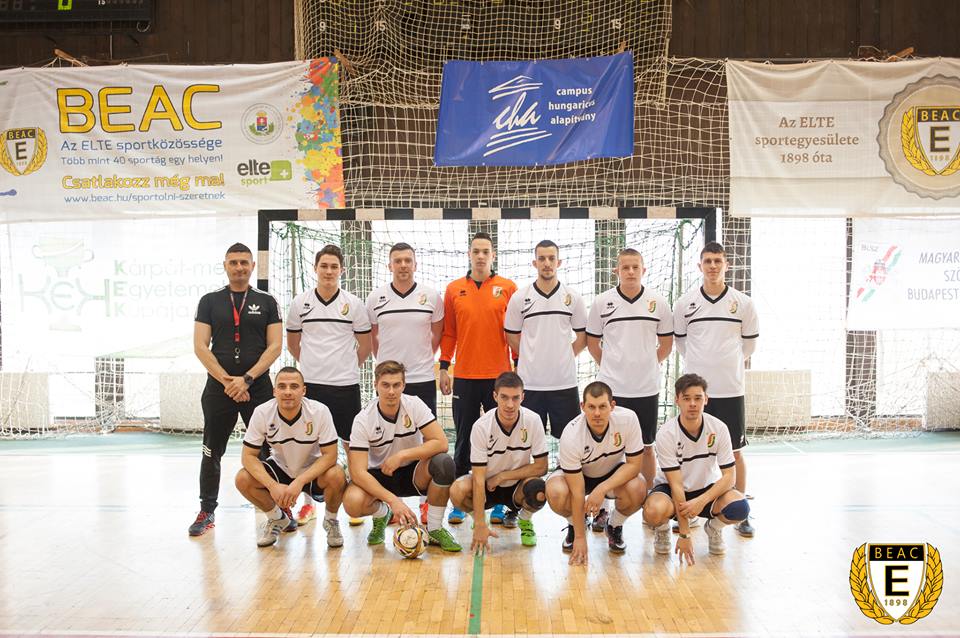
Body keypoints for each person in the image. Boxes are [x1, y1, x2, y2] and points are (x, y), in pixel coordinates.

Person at [189, 242, 282, 536]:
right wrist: (228, 381)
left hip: (258, 388)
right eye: (233, 262)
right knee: (211, 451)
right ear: (225, 266)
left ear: (253, 266)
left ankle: (276, 510)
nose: (239, 267)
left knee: (268, 451)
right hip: (220, 389)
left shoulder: (267, 301)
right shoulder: (209, 301)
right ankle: (206, 511)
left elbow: (275, 346)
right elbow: (200, 346)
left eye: (244, 262)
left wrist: (247, 379)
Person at [672, 241, 759, 537]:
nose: (712, 266)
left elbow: (749, 346)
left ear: (726, 265)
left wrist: (725, 365)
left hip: (730, 389)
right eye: (707, 261)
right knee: (689, 453)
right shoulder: (685, 303)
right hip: (696, 394)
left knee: (734, 452)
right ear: (700, 265)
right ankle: (690, 510)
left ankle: (741, 509)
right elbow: (682, 344)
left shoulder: (743, 303)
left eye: (717, 261)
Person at [585, 247, 673, 530]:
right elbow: (592, 344)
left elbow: (666, 344)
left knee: (646, 447)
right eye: (625, 267)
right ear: (617, 271)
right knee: (608, 451)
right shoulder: (602, 302)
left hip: (646, 388)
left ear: (644, 270)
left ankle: (647, 504)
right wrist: (613, 367)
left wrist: (645, 365)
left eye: (636, 267)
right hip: (612, 389)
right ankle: (603, 509)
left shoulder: (658, 302)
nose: (631, 271)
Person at [286, 244, 372, 525]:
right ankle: (308, 504)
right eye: (324, 266)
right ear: (315, 268)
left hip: (345, 385)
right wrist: (313, 365)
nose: (328, 271)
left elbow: (365, 345)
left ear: (342, 270)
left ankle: (356, 499)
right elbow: (293, 345)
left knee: (351, 444)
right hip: (311, 385)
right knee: (309, 445)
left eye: (334, 266)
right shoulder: (300, 303)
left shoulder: (354, 304)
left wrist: (345, 366)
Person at [439, 232, 517, 525]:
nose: (481, 256)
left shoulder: (508, 288)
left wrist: (518, 366)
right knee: (464, 439)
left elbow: (514, 332)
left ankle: (499, 503)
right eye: (476, 251)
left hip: (499, 378)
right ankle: (460, 502)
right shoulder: (454, 289)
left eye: (486, 251)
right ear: (469, 255)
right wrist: (444, 367)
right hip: (465, 377)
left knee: (501, 441)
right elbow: (449, 332)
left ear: (493, 255)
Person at [343, 360, 462, 552]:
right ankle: (383, 514)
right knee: (352, 502)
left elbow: (441, 442)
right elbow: (357, 472)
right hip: (379, 476)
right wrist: (393, 501)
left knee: (444, 463)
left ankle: (434, 528)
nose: (391, 391)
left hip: (414, 473)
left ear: (404, 385)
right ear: (375, 385)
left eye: (396, 385)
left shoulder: (414, 404)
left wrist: (402, 455)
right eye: (385, 385)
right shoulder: (363, 419)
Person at [366, 242, 444, 525]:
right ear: (389, 265)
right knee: (384, 437)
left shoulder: (431, 296)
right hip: (389, 380)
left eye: (407, 260)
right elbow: (373, 337)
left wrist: (421, 360)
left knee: (427, 440)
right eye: (397, 260)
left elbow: (437, 335)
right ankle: (385, 501)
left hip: (421, 377)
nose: (402, 265)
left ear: (415, 264)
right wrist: (389, 368)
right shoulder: (375, 298)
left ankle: (425, 504)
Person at [234, 367, 346, 548]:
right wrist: (272, 486)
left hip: (312, 470)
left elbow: (330, 455)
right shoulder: (262, 412)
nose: (287, 392)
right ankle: (277, 518)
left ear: (303, 390)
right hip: (281, 467)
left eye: (294, 386)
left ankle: (331, 521)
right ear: (274, 391)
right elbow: (248, 457)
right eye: (282, 386)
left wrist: (299, 481)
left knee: (337, 475)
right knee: (243, 478)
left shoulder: (319, 411)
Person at [642, 373, 750, 561]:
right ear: (677, 400)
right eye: (686, 398)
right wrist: (685, 534)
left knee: (740, 507)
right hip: (671, 490)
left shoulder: (719, 428)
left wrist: (701, 501)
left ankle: (714, 528)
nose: (692, 404)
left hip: (705, 489)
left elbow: (729, 477)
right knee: (652, 511)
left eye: (698, 398)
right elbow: (676, 485)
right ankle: (663, 528)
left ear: (706, 399)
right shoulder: (666, 433)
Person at [545, 381, 646, 565]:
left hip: (611, 473)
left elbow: (634, 465)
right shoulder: (571, 435)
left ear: (612, 406)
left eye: (602, 407)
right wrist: (580, 538)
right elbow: (577, 491)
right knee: (555, 492)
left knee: (638, 488)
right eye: (591, 407)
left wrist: (601, 489)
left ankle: (614, 525)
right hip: (579, 476)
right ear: (582, 407)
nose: (597, 413)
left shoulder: (628, 419)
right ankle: (575, 525)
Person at [449, 372, 549, 552]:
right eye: (504, 397)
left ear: (522, 397)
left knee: (539, 490)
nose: (510, 404)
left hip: (517, 486)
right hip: (488, 486)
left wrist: (503, 476)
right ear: (495, 396)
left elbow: (542, 466)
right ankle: (478, 519)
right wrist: (480, 523)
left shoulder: (533, 420)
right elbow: (478, 478)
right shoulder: (482, 426)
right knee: (457, 491)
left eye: (515, 398)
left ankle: (525, 520)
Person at [504, 239, 587, 441]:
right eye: (542, 259)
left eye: (551, 258)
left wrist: (565, 356)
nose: (547, 263)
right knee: (527, 442)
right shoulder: (519, 297)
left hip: (564, 383)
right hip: (530, 385)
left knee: (570, 441)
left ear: (559, 262)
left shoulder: (573, 297)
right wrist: (531, 356)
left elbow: (583, 337)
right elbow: (511, 336)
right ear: (535, 263)